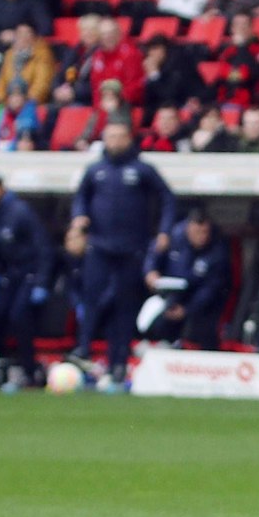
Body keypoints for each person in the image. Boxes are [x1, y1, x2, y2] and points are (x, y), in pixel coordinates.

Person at [69, 120, 177, 388]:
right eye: (110, 136)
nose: (115, 142)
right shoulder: (95, 170)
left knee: (124, 306)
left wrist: (163, 231)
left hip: (132, 249)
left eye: (120, 136)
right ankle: (84, 349)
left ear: (129, 138)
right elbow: (80, 197)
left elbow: (168, 198)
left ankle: (118, 361)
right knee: (92, 298)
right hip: (100, 247)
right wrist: (79, 217)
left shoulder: (142, 169)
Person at [0, 173, 52, 387]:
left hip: (28, 273)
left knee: (19, 316)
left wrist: (41, 281)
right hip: (7, 275)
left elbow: (42, 246)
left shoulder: (19, 211)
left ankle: (29, 371)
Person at [141, 208, 233, 348]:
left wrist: (187, 310)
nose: (203, 237)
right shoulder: (173, 237)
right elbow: (153, 257)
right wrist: (150, 272)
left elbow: (211, 288)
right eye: (198, 232)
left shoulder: (216, 250)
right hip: (170, 295)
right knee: (154, 320)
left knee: (203, 325)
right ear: (188, 228)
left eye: (205, 232)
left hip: (199, 301)